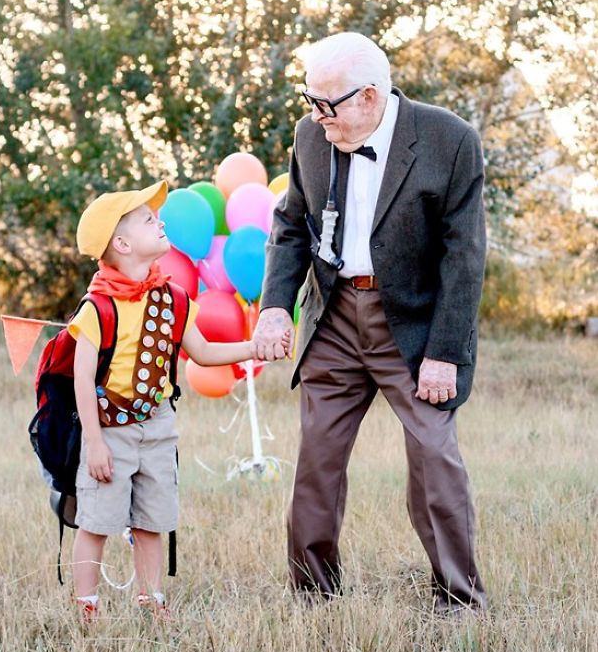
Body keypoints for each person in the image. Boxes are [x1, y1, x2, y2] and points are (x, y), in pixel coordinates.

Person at [253, 32, 487, 613]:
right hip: (332, 317)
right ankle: (314, 595)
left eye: (324, 104)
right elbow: (289, 226)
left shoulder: (450, 141)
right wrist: (276, 306)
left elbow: (465, 258)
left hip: (412, 324)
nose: (314, 117)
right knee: (316, 462)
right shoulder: (313, 136)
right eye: (308, 101)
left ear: (369, 97)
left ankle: (459, 599)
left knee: (434, 457)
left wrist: (445, 352)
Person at [71, 182, 286, 620]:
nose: (161, 220)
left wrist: (253, 347)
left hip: (159, 425)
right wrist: (94, 442)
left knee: (152, 520)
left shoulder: (174, 299)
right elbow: (81, 377)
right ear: (122, 243)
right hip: (110, 428)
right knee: (97, 521)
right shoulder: (98, 307)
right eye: (149, 219)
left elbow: (203, 352)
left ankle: (151, 601)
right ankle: (86, 606)